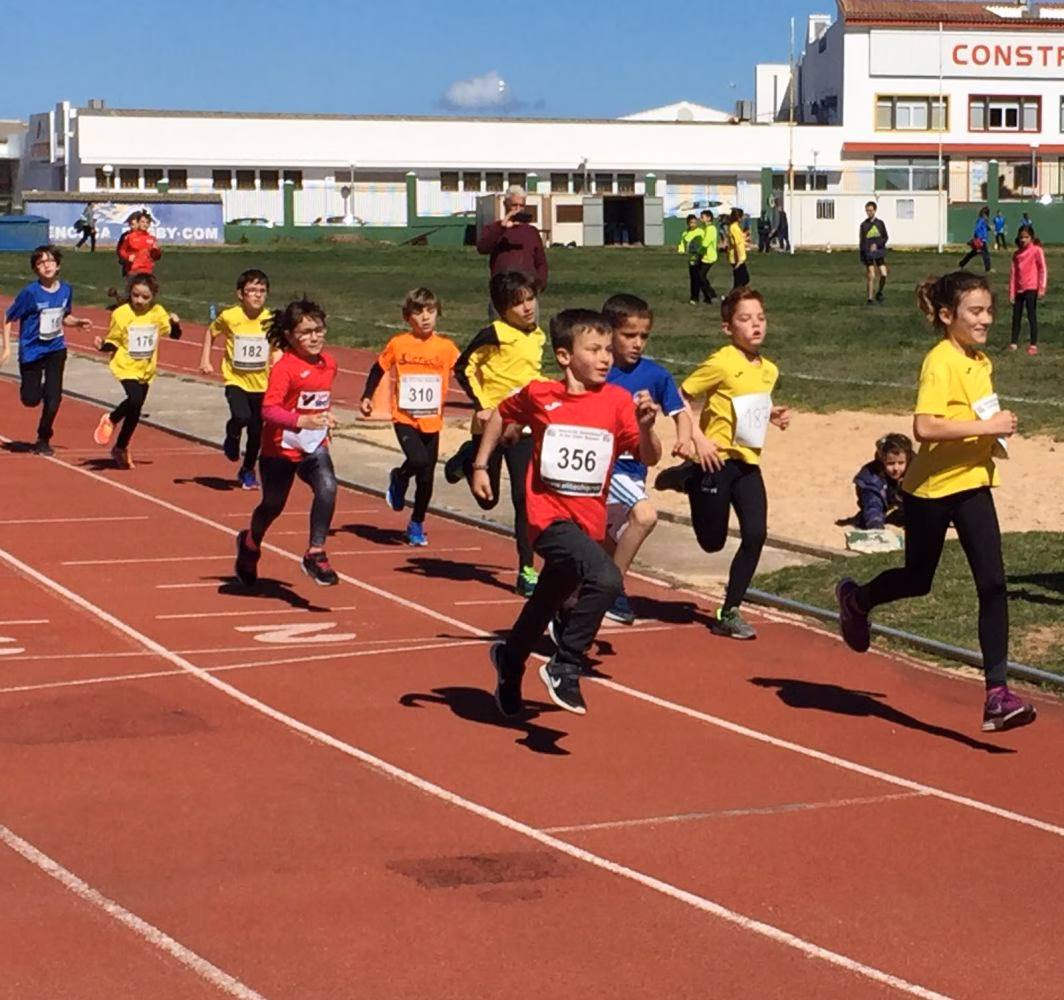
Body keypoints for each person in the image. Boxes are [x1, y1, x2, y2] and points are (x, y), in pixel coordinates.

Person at [835, 271, 1036, 734]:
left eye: (989, 310)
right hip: (929, 492)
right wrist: (988, 428)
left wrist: (995, 431)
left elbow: (975, 416)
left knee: (993, 583)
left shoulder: (980, 361)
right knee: (917, 579)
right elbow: (924, 427)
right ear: (948, 316)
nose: (986, 319)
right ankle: (857, 599)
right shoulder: (939, 361)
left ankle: (996, 695)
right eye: (976, 311)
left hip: (972, 485)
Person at [477, 309, 661, 717]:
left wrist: (647, 427)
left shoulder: (616, 402)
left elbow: (649, 455)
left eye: (608, 350)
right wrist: (480, 464)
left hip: (587, 523)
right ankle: (566, 665)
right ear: (564, 356)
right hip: (547, 519)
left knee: (544, 603)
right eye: (593, 350)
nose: (605, 358)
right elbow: (501, 414)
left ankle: (510, 659)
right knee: (608, 577)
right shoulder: (540, 395)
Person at [655, 287, 790, 640]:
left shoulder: (769, 369)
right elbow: (679, 395)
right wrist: (697, 439)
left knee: (756, 534)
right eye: (745, 319)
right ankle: (689, 479)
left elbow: (750, 402)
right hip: (714, 462)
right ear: (728, 329)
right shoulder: (721, 361)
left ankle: (729, 610)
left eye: (760, 318)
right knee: (712, 543)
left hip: (746, 462)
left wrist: (770, 413)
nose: (755, 325)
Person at [446, 270, 545, 596]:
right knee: (488, 502)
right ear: (503, 309)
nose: (528, 308)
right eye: (519, 304)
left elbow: (531, 376)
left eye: (530, 300)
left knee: (524, 498)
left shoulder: (538, 335)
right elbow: (463, 367)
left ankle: (526, 569)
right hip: (488, 427)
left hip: (523, 429)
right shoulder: (493, 334)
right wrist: (483, 404)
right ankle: (467, 457)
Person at [234, 298, 341, 589]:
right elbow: (268, 409)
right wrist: (300, 421)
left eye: (319, 329)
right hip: (279, 449)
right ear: (290, 336)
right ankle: (250, 542)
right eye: (305, 332)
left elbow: (318, 401)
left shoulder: (329, 364)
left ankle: (315, 552)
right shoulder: (285, 369)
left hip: (314, 446)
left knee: (328, 487)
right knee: (272, 505)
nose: (314, 337)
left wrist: (324, 417)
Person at [600, 293, 693, 624]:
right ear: (608, 332)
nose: (638, 343)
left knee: (611, 541)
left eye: (644, 336)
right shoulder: (598, 372)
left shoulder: (655, 374)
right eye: (629, 335)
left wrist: (683, 438)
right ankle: (611, 589)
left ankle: (600, 591)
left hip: (635, 470)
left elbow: (680, 411)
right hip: (606, 470)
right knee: (645, 516)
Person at [359, 287, 460, 546]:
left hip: (432, 420)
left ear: (438, 314)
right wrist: (367, 396)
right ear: (407, 317)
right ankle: (400, 477)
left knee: (427, 477)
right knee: (417, 459)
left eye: (430, 311)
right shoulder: (398, 344)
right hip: (404, 417)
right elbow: (378, 368)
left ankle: (416, 523)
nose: (425, 317)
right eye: (418, 312)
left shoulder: (446, 347)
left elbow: (464, 373)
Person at [1, 245, 92, 455]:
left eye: (50, 261)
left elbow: (64, 316)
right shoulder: (30, 293)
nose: (46, 265)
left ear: (58, 265)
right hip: (32, 350)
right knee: (30, 399)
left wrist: (77, 322)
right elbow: (8, 316)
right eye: (41, 263)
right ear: (36, 270)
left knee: (54, 398)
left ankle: (44, 437)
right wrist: (6, 348)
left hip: (55, 348)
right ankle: (36, 388)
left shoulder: (66, 289)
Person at [92, 273, 182, 469]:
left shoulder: (157, 313)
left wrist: (175, 323)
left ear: (153, 297)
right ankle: (112, 418)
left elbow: (175, 335)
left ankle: (121, 447)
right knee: (134, 400)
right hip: (126, 365)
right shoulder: (121, 313)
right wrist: (102, 346)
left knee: (136, 409)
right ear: (130, 293)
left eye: (145, 297)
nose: (139, 301)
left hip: (146, 368)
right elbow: (113, 340)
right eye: (135, 295)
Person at [199, 268, 272, 488]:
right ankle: (232, 434)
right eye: (251, 290)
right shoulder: (230, 317)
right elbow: (211, 333)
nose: (257, 295)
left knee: (257, 432)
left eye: (262, 290)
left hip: (262, 383)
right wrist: (205, 359)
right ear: (240, 294)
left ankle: (248, 470)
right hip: (236, 380)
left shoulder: (270, 319)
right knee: (241, 417)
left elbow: (277, 346)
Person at [475, 184, 548, 309]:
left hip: (527, 292)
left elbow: (541, 262)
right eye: (514, 205)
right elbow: (483, 248)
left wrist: (539, 285)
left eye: (521, 205)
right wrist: (502, 227)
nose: (518, 209)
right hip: (502, 292)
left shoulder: (531, 232)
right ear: (506, 205)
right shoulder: (494, 229)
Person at [853, 433, 913, 530]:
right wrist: (875, 525)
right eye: (891, 463)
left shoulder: (914, 471)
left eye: (901, 463)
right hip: (882, 510)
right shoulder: (871, 476)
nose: (896, 468)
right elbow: (872, 504)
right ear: (882, 461)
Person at [1008, 224, 1047, 356]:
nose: (1023, 240)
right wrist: (1012, 292)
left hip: (1031, 288)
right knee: (1016, 316)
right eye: (1021, 237)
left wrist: (1041, 287)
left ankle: (1033, 344)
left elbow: (1042, 269)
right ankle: (1013, 342)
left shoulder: (1036, 251)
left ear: (1031, 237)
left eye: (1026, 237)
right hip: (1019, 289)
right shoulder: (1017, 254)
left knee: (1031, 315)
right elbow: (1014, 274)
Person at [677, 214, 712, 305]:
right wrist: (681, 250)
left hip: (699, 258)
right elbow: (682, 244)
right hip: (691, 259)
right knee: (693, 279)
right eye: (691, 223)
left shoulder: (700, 231)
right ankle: (694, 298)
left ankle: (707, 296)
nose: (693, 224)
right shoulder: (685, 234)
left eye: (694, 222)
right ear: (687, 224)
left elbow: (705, 242)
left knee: (700, 278)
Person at [859, 201, 889, 305]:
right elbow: (862, 241)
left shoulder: (880, 224)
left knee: (884, 274)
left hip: (879, 252)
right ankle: (870, 299)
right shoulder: (864, 225)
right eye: (867, 210)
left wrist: (878, 245)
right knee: (871, 275)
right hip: (868, 253)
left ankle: (879, 292)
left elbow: (885, 237)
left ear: (875, 210)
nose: (868, 212)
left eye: (870, 210)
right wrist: (863, 253)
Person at [958, 207, 991, 273]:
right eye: (985, 214)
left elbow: (985, 229)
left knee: (972, 253)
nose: (986, 216)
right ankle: (988, 269)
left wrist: (988, 227)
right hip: (980, 240)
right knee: (986, 255)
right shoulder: (981, 220)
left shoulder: (984, 221)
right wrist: (978, 238)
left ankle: (962, 263)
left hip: (982, 240)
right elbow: (977, 229)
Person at [698, 209, 720, 302]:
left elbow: (705, 243)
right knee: (700, 277)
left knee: (701, 276)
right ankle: (707, 297)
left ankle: (712, 295)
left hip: (709, 257)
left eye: (702, 217)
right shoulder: (705, 228)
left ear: (709, 218)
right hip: (704, 256)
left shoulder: (711, 229)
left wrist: (697, 250)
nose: (700, 218)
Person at [726, 208, 750, 288]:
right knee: (743, 279)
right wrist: (739, 260)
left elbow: (739, 239)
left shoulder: (735, 227)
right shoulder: (734, 228)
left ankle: (734, 297)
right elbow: (737, 244)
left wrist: (745, 236)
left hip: (738, 257)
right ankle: (732, 297)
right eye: (742, 216)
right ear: (738, 217)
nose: (743, 218)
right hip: (737, 258)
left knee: (740, 280)